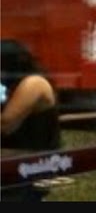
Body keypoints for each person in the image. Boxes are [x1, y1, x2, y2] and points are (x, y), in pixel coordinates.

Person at [0, 39, 61, 202]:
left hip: (32, 166)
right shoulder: (7, 86)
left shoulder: (34, 83)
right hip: (12, 163)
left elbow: (6, 124)